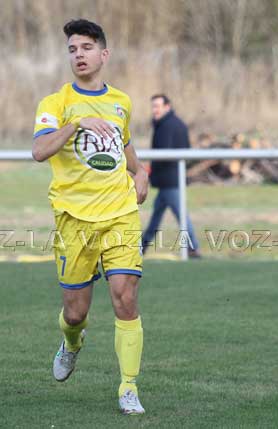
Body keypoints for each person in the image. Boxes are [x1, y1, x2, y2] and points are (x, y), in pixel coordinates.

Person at [32, 19, 149, 415]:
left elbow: (124, 146)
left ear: (104, 53)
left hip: (120, 213)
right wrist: (76, 124)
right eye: (72, 49)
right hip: (74, 219)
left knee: (125, 297)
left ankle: (128, 387)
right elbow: (40, 151)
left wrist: (141, 172)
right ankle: (72, 342)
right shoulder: (55, 103)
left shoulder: (121, 102)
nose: (78, 55)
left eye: (86, 47)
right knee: (75, 313)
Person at [142, 94, 201, 257]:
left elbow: (164, 154)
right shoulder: (172, 123)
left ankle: (193, 248)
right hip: (169, 180)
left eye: (157, 106)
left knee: (181, 216)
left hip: (170, 181)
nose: (154, 110)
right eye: (153, 106)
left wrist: (149, 171)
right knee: (156, 217)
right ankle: (142, 246)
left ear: (167, 107)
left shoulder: (167, 125)